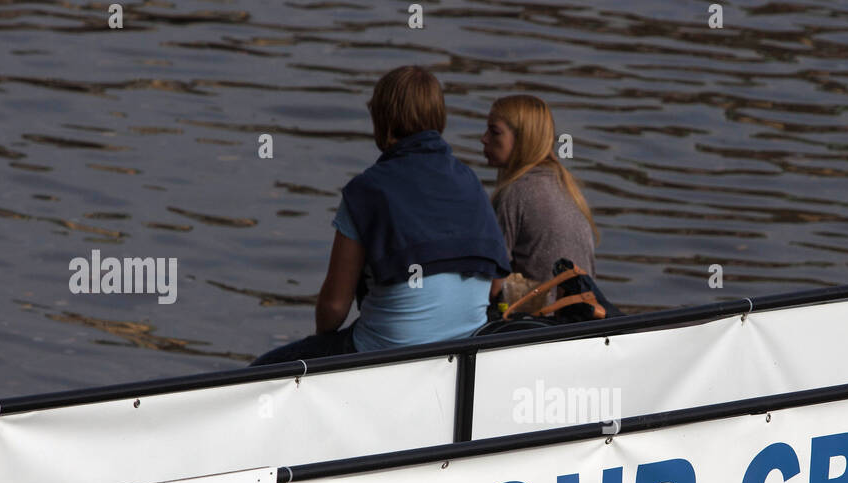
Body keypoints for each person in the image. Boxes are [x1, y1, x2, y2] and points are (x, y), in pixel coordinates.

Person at [253, 66, 510, 364]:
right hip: (466, 347)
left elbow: (334, 307)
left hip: (387, 351)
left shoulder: (366, 191)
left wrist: (321, 341)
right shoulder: (469, 181)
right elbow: (495, 284)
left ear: (381, 120)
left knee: (261, 372)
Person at [481, 95, 598, 311]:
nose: (484, 139)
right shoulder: (566, 185)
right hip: (584, 316)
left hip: (543, 323)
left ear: (523, 139)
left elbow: (492, 284)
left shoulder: (514, 193)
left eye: (494, 132)